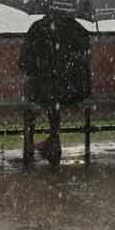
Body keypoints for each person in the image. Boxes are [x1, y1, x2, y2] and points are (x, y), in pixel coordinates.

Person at [19, 14, 91, 163]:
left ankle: (29, 143)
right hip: (75, 90)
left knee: (36, 99)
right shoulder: (79, 30)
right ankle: (54, 139)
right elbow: (84, 63)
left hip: (46, 89)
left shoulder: (38, 28)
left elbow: (25, 63)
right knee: (54, 99)